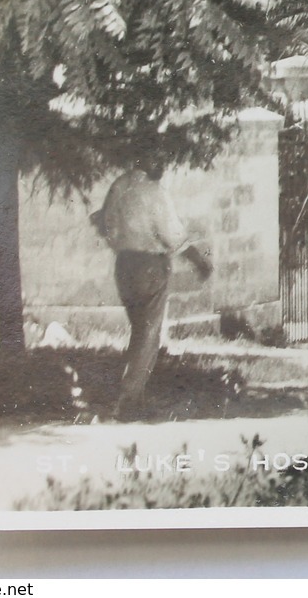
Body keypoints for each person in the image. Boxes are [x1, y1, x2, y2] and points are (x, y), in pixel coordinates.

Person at [92, 154, 213, 420]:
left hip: (123, 265)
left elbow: (102, 222)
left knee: (139, 332)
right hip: (150, 265)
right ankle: (129, 401)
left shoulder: (118, 186)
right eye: (158, 158)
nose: (162, 164)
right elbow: (173, 235)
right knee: (148, 335)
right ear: (145, 158)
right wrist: (199, 261)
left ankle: (136, 396)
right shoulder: (154, 191)